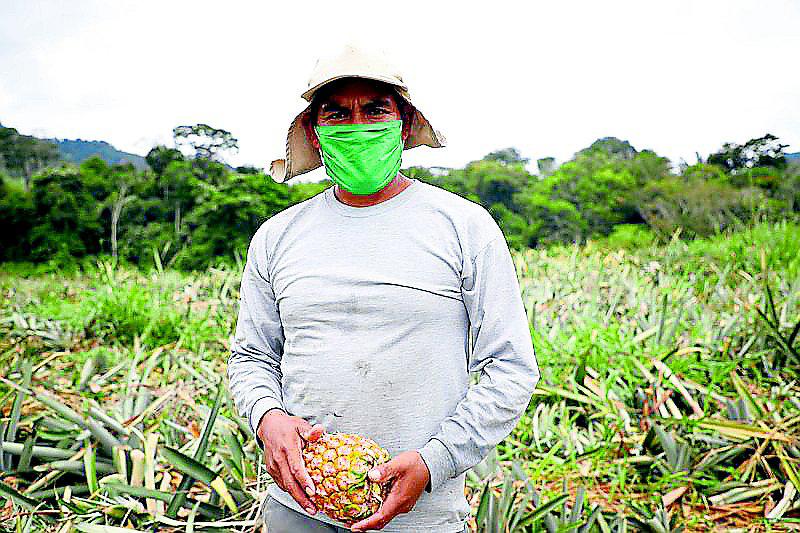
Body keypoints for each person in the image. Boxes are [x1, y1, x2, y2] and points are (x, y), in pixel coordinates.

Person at [227, 44, 540, 532]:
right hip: (297, 506)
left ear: (404, 122)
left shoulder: (464, 226)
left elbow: (511, 367)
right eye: (337, 113)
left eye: (375, 110)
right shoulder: (277, 236)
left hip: (424, 516)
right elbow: (252, 356)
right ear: (315, 132)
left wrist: (435, 459)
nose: (357, 126)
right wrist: (268, 416)